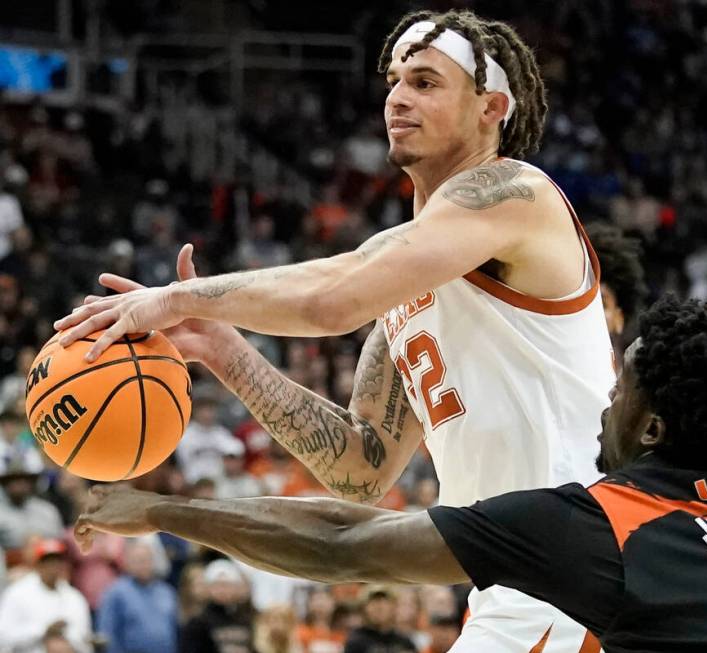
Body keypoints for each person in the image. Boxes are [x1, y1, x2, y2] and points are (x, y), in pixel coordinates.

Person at [57, 9, 613, 652]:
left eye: (427, 82)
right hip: (512, 585)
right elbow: (361, 470)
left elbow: (332, 300)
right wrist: (227, 352)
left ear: (491, 107)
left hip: (576, 577)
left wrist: (177, 299)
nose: (398, 99)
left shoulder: (516, 191)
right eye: (394, 82)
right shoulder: (406, 274)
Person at [75, 296, 707, 652]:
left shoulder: (607, 519)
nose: (604, 404)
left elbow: (345, 536)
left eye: (620, 387)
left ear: (654, 422)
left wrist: (161, 505)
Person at [0, 539, 92, 653]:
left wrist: (65, 639)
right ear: (38, 564)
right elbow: (3, 637)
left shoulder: (74, 597)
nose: (53, 566)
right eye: (48, 561)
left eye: (57, 561)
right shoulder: (17, 593)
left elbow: (85, 639)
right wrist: (43, 630)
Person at [97, 539, 179, 653]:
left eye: (146, 560)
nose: (143, 565)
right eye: (138, 561)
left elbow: (175, 631)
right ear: (127, 563)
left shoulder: (167, 592)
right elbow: (107, 634)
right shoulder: (116, 593)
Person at [585, 222, 646, 363]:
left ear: (619, 318)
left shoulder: (633, 380)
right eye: (583, 304)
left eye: (602, 304)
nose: (589, 313)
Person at [179, 559, 255, 653]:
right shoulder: (198, 622)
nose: (222, 590)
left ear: (236, 586)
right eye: (217, 585)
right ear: (208, 588)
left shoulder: (249, 617)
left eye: (227, 585)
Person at [343, 586, 416, 653]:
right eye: (374, 602)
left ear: (394, 606)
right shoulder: (356, 640)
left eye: (384, 601)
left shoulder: (404, 641)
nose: (379, 607)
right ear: (364, 608)